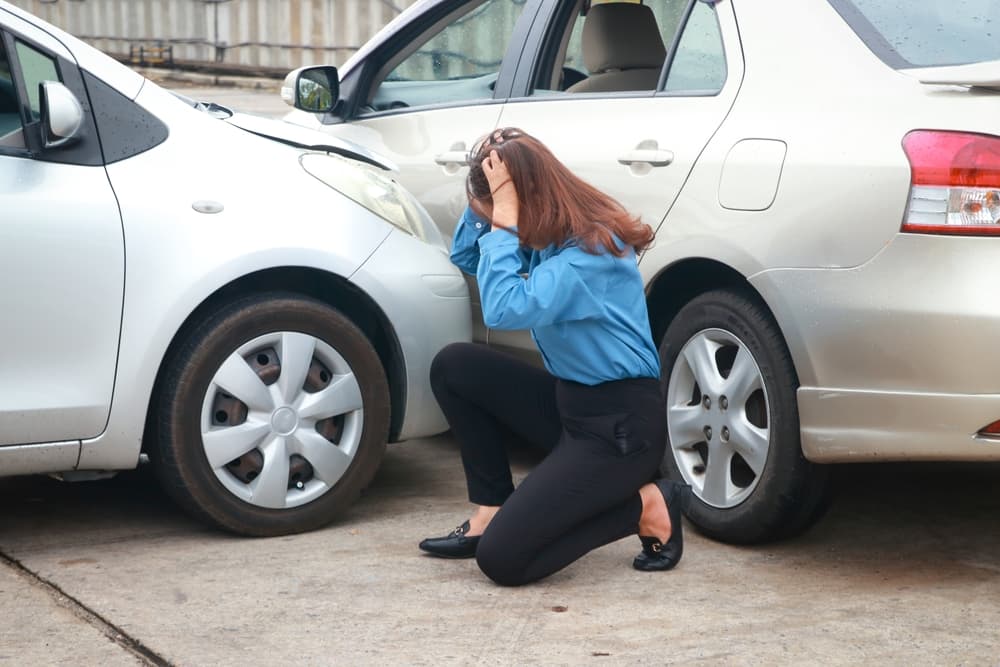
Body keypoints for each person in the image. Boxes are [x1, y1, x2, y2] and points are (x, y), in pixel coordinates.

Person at [419, 127, 692, 586]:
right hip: (571, 407)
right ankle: (492, 506)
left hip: (619, 430)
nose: (495, 221)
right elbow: (468, 254)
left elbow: (505, 307)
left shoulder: (592, 253)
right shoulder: (550, 235)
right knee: (455, 366)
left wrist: (503, 216)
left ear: (524, 202)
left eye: (501, 211)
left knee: (503, 560)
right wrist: (487, 197)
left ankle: (644, 506)